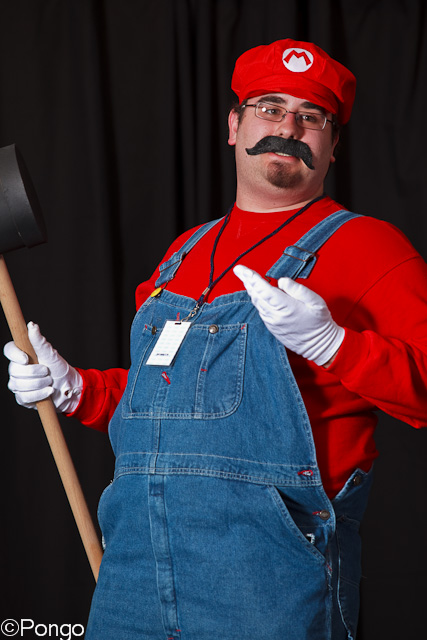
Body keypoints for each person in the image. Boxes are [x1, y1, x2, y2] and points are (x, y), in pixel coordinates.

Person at [4, 38, 427, 640]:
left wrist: (335, 346)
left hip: (269, 583)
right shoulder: (182, 254)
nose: (288, 128)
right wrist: (76, 390)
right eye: (270, 108)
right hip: (133, 576)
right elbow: (170, 404)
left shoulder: (371, 247)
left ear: (333, 146)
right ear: (234, 125)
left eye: (312, 117)